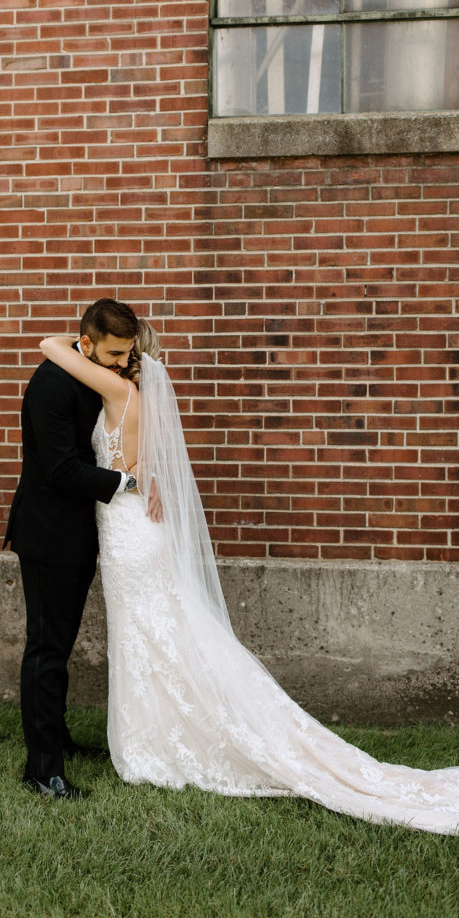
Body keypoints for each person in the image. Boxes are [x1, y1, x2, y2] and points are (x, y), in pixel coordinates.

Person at [39, 318, 459, 833]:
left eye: (123, 355)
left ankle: (156, 743)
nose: (118, 361)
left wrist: (82, 345)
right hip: (138, 527)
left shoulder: (117, 387)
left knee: (146, 633)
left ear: (131, 358)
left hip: (128, 532)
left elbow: (50, 346)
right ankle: (161, 731)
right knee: (160, 632)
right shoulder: (139, 396)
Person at [4, 299, 161, 799]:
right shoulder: (51, 384)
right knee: (46, 649)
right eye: (114, 354)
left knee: (60, 646)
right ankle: (41, 769)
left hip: (83, 534)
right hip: (50, 534)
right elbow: (60, 470)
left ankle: (60, 739)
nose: (121, 364)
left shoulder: (88, 367)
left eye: (126, 355)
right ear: (87, 344)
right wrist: (130, 482)